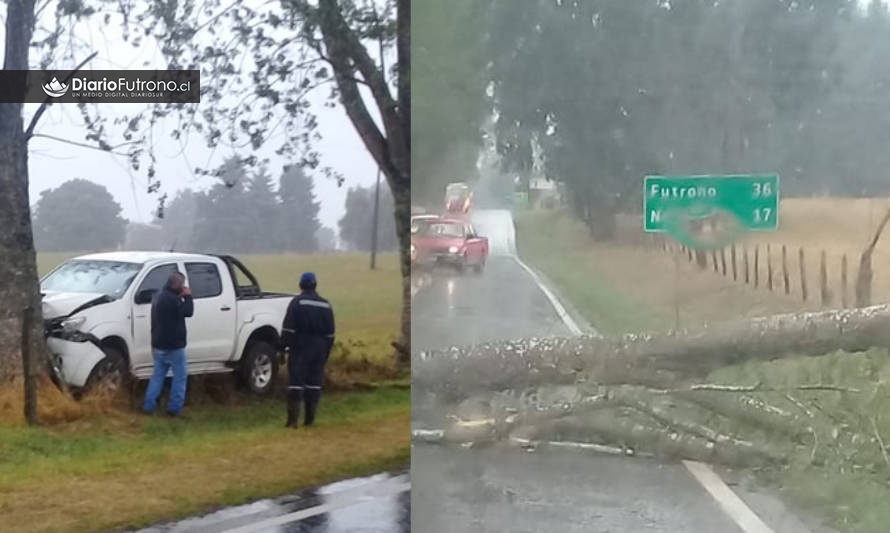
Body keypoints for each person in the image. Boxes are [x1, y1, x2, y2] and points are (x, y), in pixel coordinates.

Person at [281, 272, 335, 428]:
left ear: (301, 285)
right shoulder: (326, 305)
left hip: (300, 345)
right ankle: (309, 420)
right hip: (320, 347)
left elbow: (288, 329)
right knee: (314, 383)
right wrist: (325, 352)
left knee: (296, 382)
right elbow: (331, 333)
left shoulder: (297, 303)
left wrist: (282, 348)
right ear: (315, 285)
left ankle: (292, 422)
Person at [143, 271, 194, 417]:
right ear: (177, 284)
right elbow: (188, 312)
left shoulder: (158, 296)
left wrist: (180, 297)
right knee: (180, 377)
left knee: (157, 376)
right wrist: (188, 296)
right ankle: (174, 409)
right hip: (174, 346)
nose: (183, 287)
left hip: (158, 343)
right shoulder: (173, 300)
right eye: (182, 284)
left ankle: (148, 406)